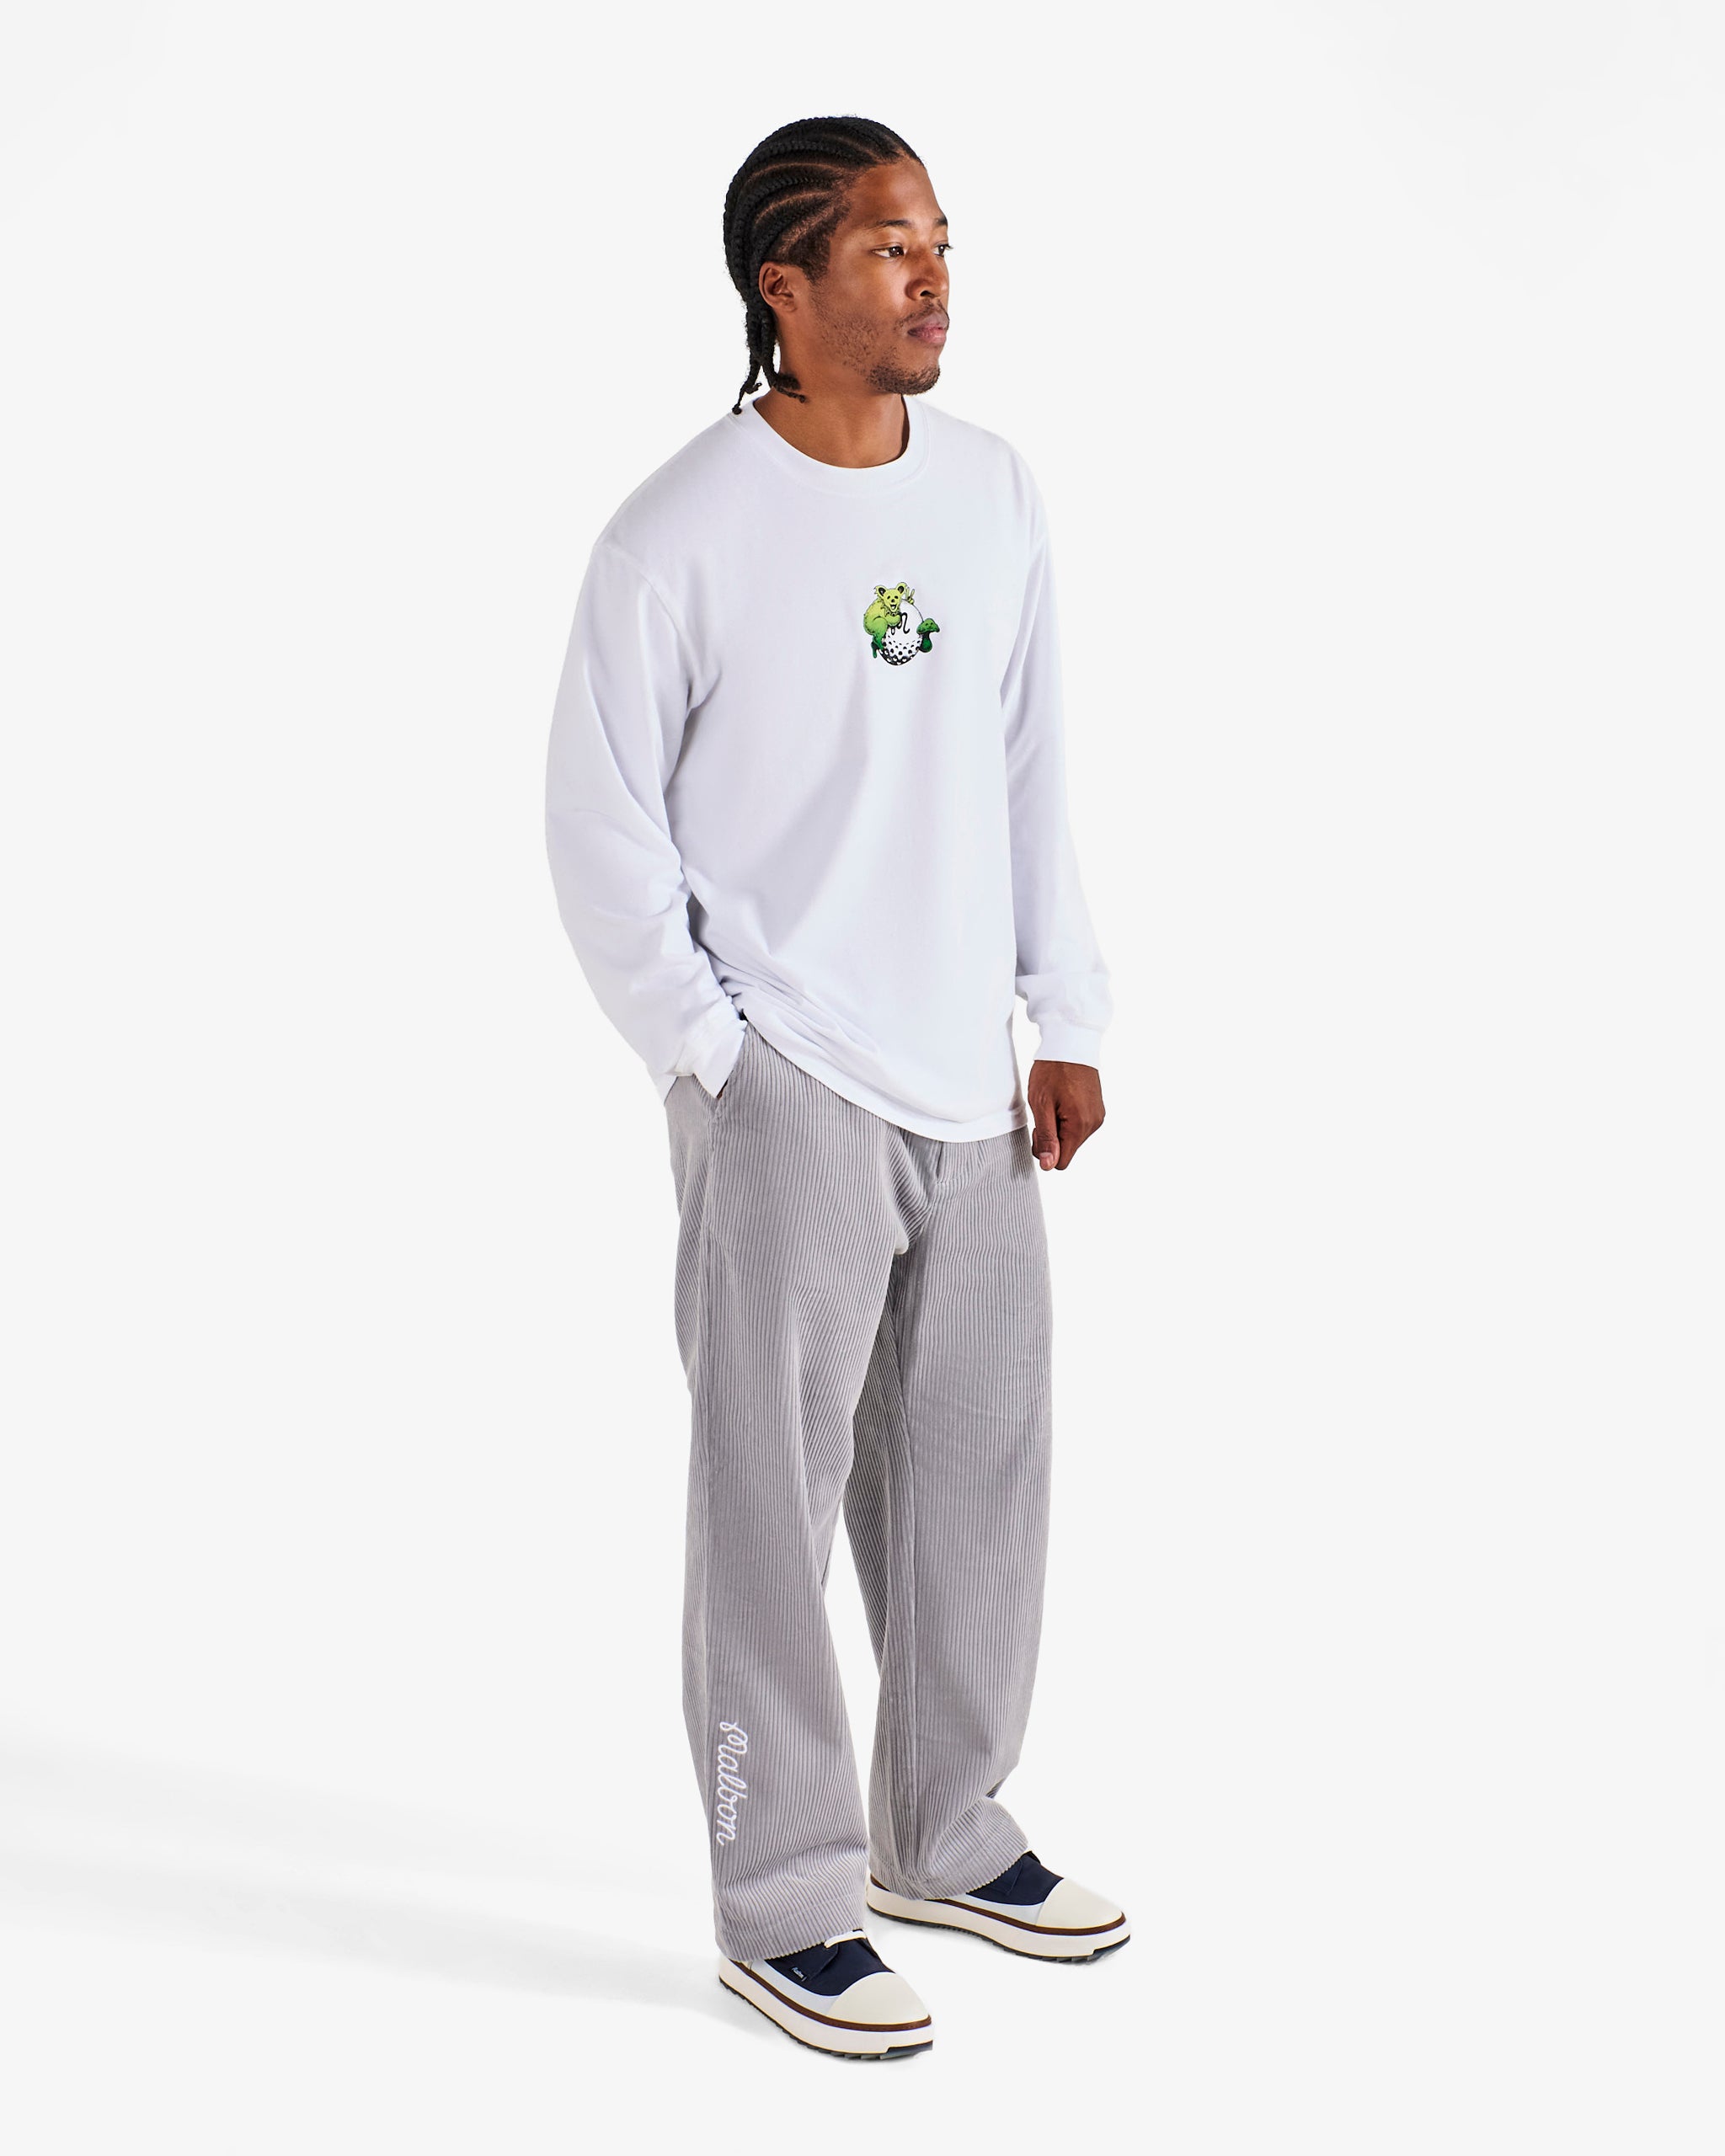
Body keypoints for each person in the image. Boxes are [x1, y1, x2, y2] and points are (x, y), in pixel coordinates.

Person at [544, 115, 1127, 2060]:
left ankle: (945, 1831)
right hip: (787, 1075)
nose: (932, 275)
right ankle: (783, 1902)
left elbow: (1031, 762)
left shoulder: (992, 490)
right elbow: (599, 828)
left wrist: (1063, 1008)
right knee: (768, 1503)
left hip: (972, 1082)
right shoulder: (676, 533)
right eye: (887, 247)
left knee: (980, 1475)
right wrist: (714, 1052)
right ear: (780, 287)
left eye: (940, 238)